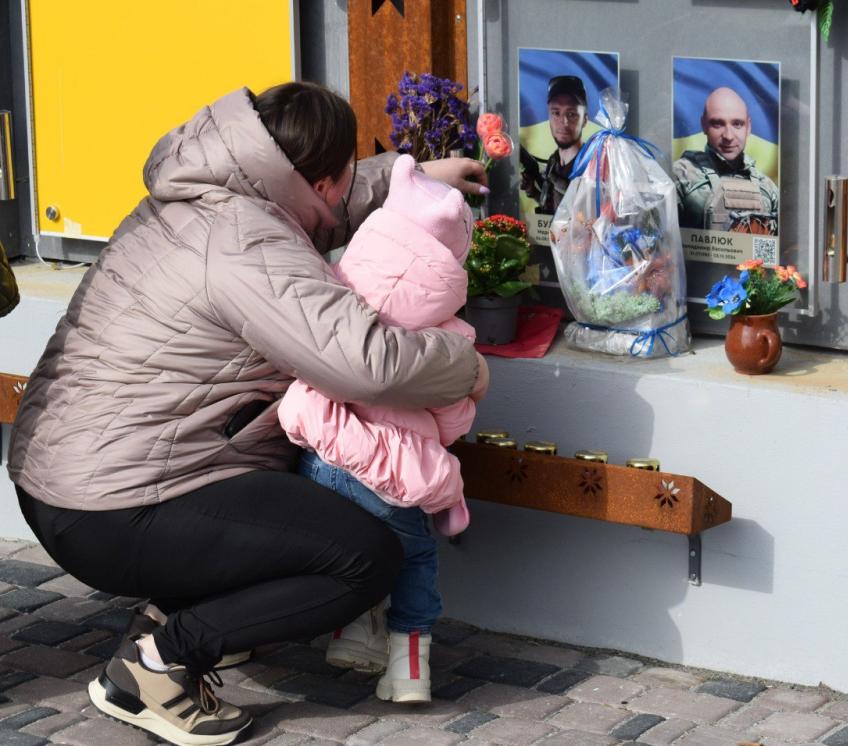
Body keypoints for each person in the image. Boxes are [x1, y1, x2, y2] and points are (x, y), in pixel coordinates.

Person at [6, 82, 489, 746]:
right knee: (362, 555)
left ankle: (163, 624)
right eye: (343, 177)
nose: (341, 195)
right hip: (116, 508)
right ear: (319, 180)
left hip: (65, 483)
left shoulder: (207, 192)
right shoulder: (247, 239)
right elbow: (365, 362)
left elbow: (315, 209)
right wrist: (466, 367)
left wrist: (413, 178)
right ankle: (160, 665)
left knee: (285, 477)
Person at [279, 153, 476, 704]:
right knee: (413, 558)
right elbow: (452, 419)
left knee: (348, 546)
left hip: (324, 457)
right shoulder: (450, 333)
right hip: (396, 475)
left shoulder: (337, 293)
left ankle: (350, 632)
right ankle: (410, 669)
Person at [672, 86, 779, 234]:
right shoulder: (681, 176)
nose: (728, 136)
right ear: (704, 125)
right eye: (718, 124)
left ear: (748, 127)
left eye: (737, 124)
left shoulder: (768, 188)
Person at [521, 75, 589, 215]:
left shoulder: (591, 163)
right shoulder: (554, 160)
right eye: (556, 113)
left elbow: (584, 202)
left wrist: (554, 179)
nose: (563, 122)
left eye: (571, 114)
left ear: (585, 120)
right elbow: (552, 208)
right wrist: (532, 191)